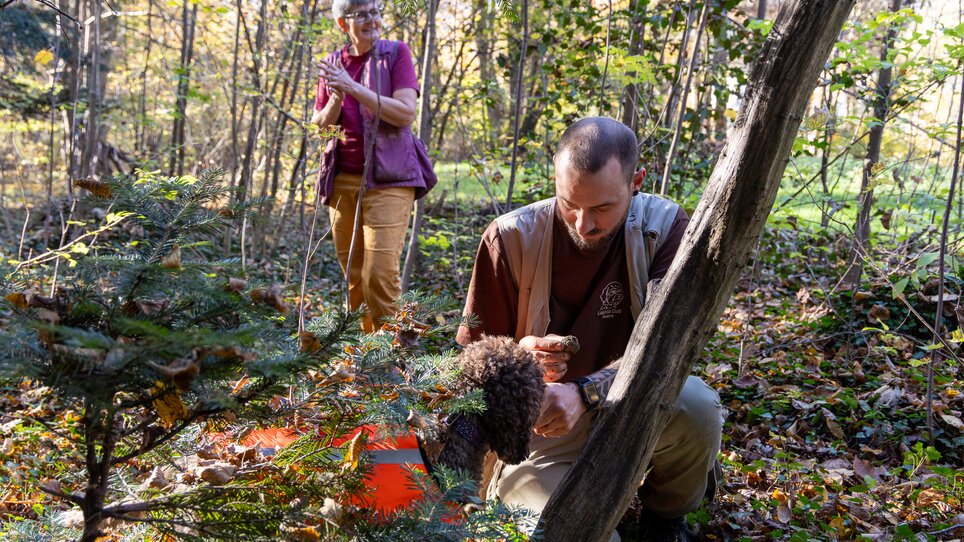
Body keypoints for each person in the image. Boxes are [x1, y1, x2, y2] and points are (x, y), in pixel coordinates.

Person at [456, 117, 723, 542]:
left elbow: (670, 349)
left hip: (634, 406)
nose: (583, 224)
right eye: (570, 204)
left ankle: (664, 519)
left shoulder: (664, 229)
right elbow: (469, 374)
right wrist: (518, 356)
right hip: (538, 434)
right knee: (566, 534)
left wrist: (584, 394)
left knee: (696, 405)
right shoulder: (508, 239)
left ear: (636, 182)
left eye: (602, 208)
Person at [311, 0, 435, 333]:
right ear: (343, 23)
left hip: (391, 178)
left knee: (379, 272)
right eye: (362, 14)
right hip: (342, 180)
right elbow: (321, 127)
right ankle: (365, 351)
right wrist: (337, 98)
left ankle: (393, 350)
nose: (372, 20)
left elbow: (405, 113)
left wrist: (352, 87)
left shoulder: (395, 54)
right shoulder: (333, 64)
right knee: (353, 275)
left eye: (375, 11)